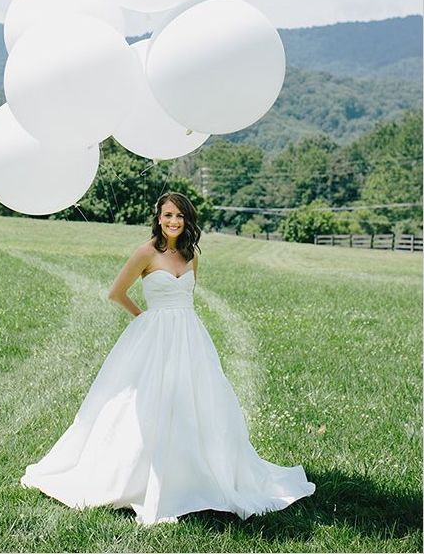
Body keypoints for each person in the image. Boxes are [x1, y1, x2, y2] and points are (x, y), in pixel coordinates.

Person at [20, 191, 316, 526]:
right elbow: (116, 293)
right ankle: (137, 475)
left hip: (190, 336)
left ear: (187, 220)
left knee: (197, 402)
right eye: (168, 215)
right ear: (158, 218)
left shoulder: (191, 255)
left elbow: (187, 296)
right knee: (149, 404)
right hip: (154, 336)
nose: (173, 221)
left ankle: (195, 475)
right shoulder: (146, 252)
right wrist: (145, 318)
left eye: (180, 216)